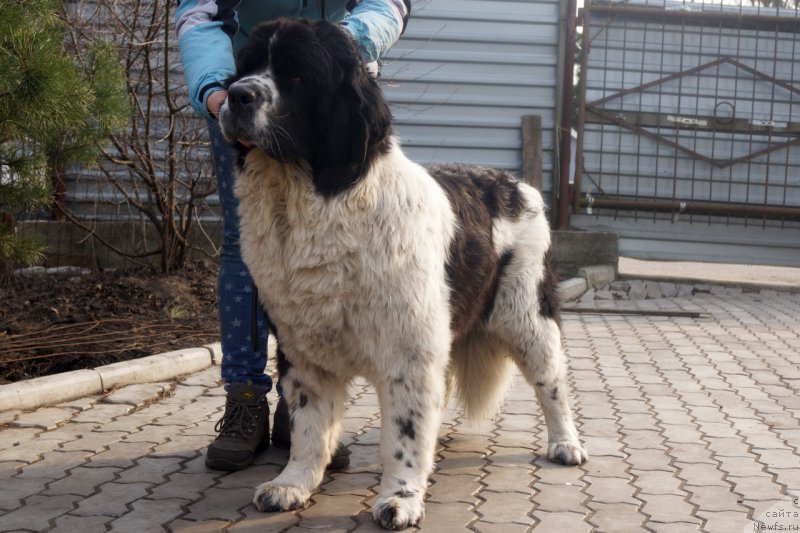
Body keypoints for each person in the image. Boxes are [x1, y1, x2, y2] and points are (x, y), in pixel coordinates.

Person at [175, 0, 410, 472]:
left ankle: (302, 408)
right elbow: (198, 16)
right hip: (242, 96)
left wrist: (340, 46)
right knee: (247, 251)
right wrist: (218, 93)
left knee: (330, 253)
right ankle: (244, 400)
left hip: (330, 98)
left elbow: (389, 4)